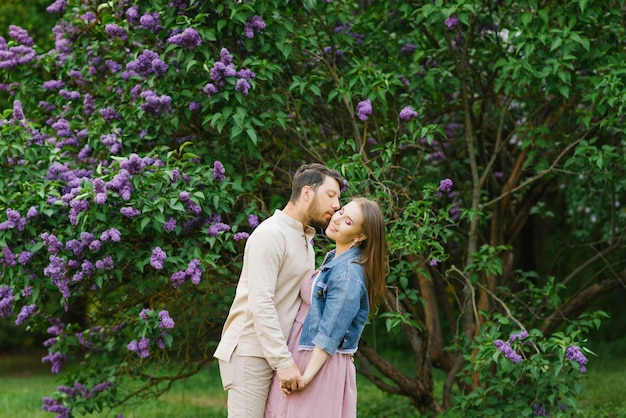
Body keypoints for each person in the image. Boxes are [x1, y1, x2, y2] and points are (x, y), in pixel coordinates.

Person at [213, 163, 345, 417]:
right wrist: (283, 363)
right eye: (331, 195)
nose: (337, 205)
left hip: (275, 352)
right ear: (307, 192)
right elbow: (260, 303)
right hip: (250, 353)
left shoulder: (304, 239)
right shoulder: (270, 234)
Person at [264, 197, 388, 418]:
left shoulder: (348, 274)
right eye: (341, 212)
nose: (338, 219)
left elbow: (330, 332)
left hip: (317, 361)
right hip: (302, 349)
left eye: (349, 221)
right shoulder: (334, 259)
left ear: (360, 236)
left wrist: (305, 377)